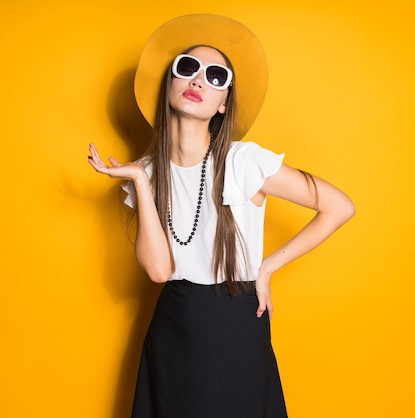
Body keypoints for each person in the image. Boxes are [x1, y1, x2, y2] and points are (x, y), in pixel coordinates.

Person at [87, 13, 355, 418]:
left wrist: (266, 269)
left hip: (235, 325)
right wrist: (141, 183)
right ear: (170, 84)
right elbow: (159, 273)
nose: (199, 81)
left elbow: (339, 206)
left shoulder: (244, 162)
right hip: (174, 327)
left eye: (216, 76)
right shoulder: (147, 171)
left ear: (223, 102)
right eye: (188, 68)